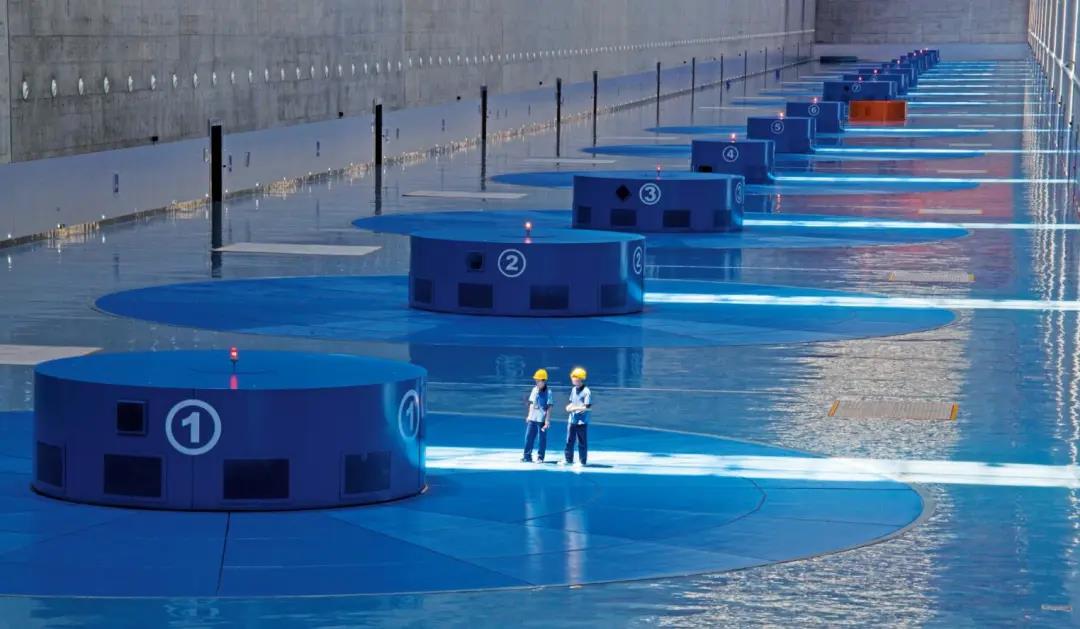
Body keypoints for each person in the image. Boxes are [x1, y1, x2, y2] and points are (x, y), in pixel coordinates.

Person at [522, 368, 553, 462]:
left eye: (538, 381)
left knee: (541, 439)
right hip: (532, 418)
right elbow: (532, 403)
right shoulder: (534, 390)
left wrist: (547, 420)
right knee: (529, 437)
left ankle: (540, 457)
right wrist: (529, 415)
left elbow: (549, 407)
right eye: (536, 380)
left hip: (542, 420)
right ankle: (527, 456)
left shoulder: (548, 392)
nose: (536, 382)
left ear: (544, 381)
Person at [563, 367, 591, 466]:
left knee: (581, 442)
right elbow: (572, 402)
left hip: (582, 421)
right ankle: (568, 459)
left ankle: (582, 461)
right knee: (569, 441)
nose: (573, 379)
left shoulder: (587, 391)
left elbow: (587, 407)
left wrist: (574, 408)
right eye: (573, 377)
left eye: (574, 377)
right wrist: (568, 407)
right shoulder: (573, 389)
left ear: (580, 378)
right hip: (572, 420)